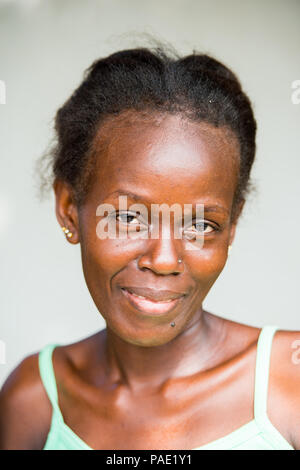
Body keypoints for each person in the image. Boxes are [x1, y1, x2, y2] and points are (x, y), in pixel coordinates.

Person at [0, 45, 299, 450]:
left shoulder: (289, 382)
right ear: (70, 210)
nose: (163, 260)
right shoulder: (36, 399)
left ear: (232, 226)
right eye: (127, 218)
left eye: (200, 224)